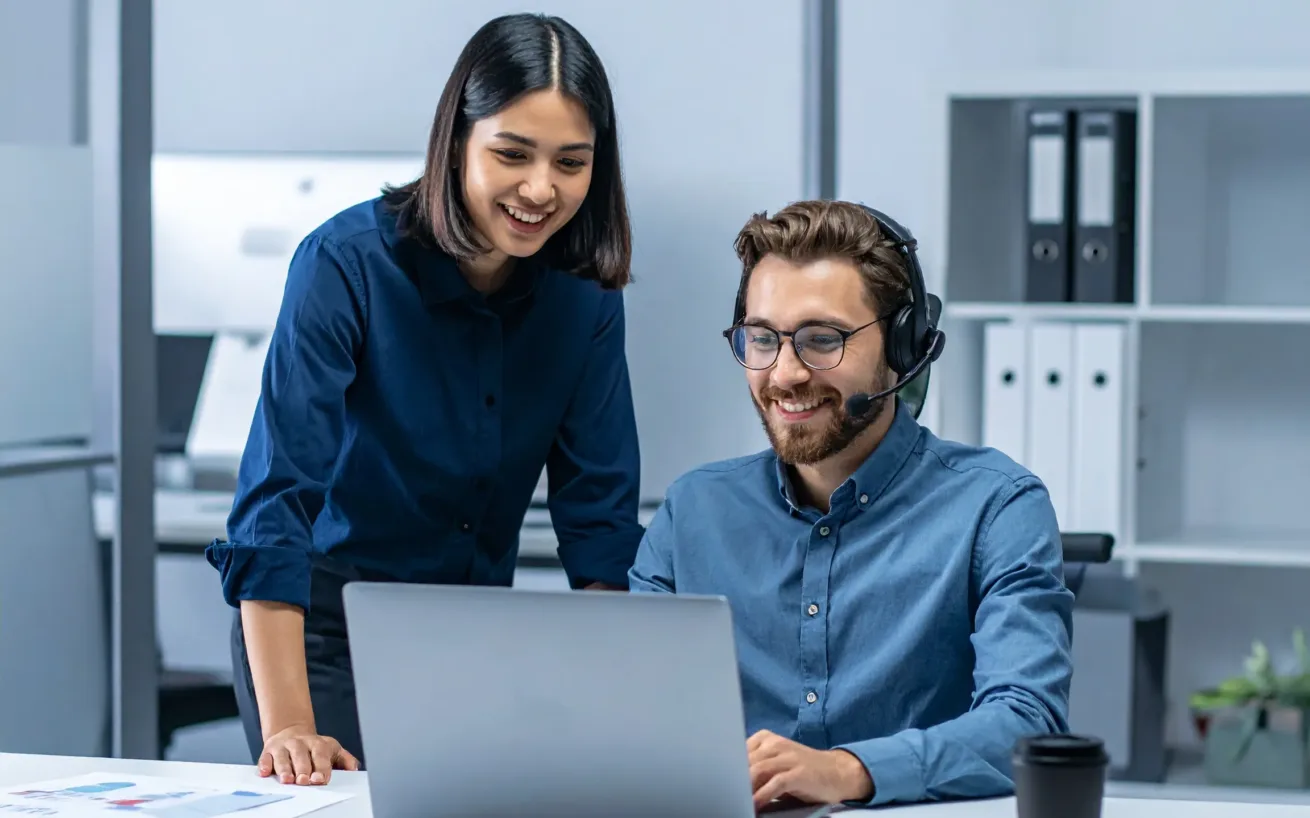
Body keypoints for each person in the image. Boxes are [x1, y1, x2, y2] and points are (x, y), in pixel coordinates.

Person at [206, 12, 645, 787]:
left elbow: (599, 518)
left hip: (470, 635)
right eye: (511, 154)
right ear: (456, 143)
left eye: (571, 162)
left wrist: (623, 706)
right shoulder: (343, 266)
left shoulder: (584, 298)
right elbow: (274, 504)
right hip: (319, 633)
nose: (541, 189)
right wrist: (290, 728)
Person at [628, 200, 1074, 809]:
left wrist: (848, 771)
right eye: (762, 338)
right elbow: (628, 719)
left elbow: (1027, 722)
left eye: (822, 339)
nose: (784, 374)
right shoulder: (692, 512)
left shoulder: (996, 507)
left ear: (903, 345)